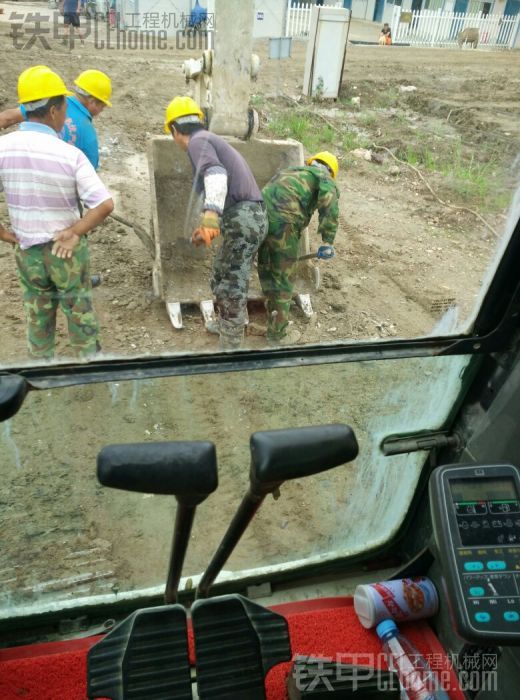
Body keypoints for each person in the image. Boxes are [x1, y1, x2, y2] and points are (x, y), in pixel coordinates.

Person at [0, 66, 114, 360]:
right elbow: (103, 204)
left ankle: (41, 371)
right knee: (79, 311)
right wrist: (75, 232)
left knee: (37, 313)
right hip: (65, 252)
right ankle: (89, 365)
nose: (67, 111)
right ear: (53, 111)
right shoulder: (68, 154)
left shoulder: (3, 147)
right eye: (65, 105)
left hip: (27, 250)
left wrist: (4, 233)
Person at [164, 95, 268, 350]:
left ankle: (231, 344)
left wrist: (210, 218)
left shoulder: (197, 142)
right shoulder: (207, 140)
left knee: (232, 279)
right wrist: (208, 225)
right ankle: (227, 323)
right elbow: (221, 187)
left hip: (245, 217)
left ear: (175, 130)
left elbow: (217, 175)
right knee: (223, 271)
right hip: (246, 218)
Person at [257, 151, 340, 345]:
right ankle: (277, 335)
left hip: (258, 215)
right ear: (330, 171)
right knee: (284, 278)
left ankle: (272, 316)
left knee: (267, 267)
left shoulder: (292, 171)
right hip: (284, 222)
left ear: (311, 162)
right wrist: (328, 241)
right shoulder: (323, 177)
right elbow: (329, 203)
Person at [0, 68, 112, 170]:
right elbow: (90, 175)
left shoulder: (45, 102)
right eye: (103, 106)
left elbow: (7, 118)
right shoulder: (88, 134)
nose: (102, 110)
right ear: (92, 102)